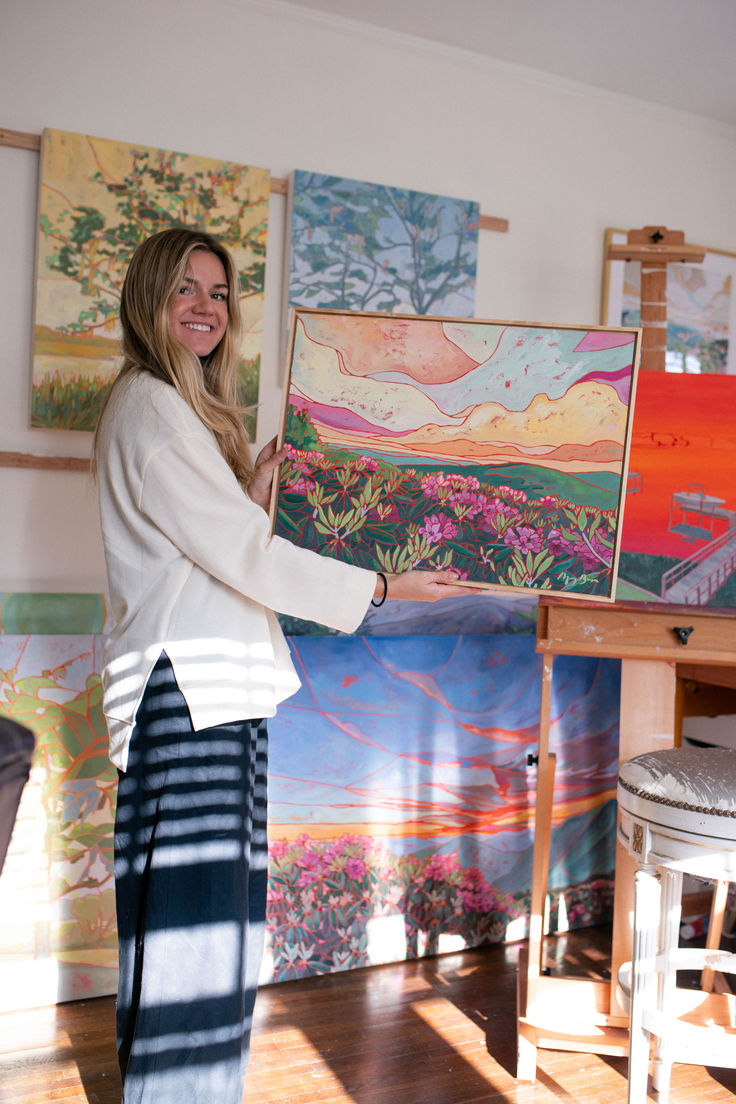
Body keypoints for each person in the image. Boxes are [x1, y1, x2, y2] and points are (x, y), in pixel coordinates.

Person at [94, 227, 476, 1104]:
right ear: (148, 299)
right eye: (185, 288)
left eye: (220, 293)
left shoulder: (161, 408)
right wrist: (384, 583)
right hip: (196, 693)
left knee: (191, 922)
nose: (205, 306)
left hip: (199, 690)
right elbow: (241, 559)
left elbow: (209, 549)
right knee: (199, 929)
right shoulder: (153, 407)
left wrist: (250, 501)